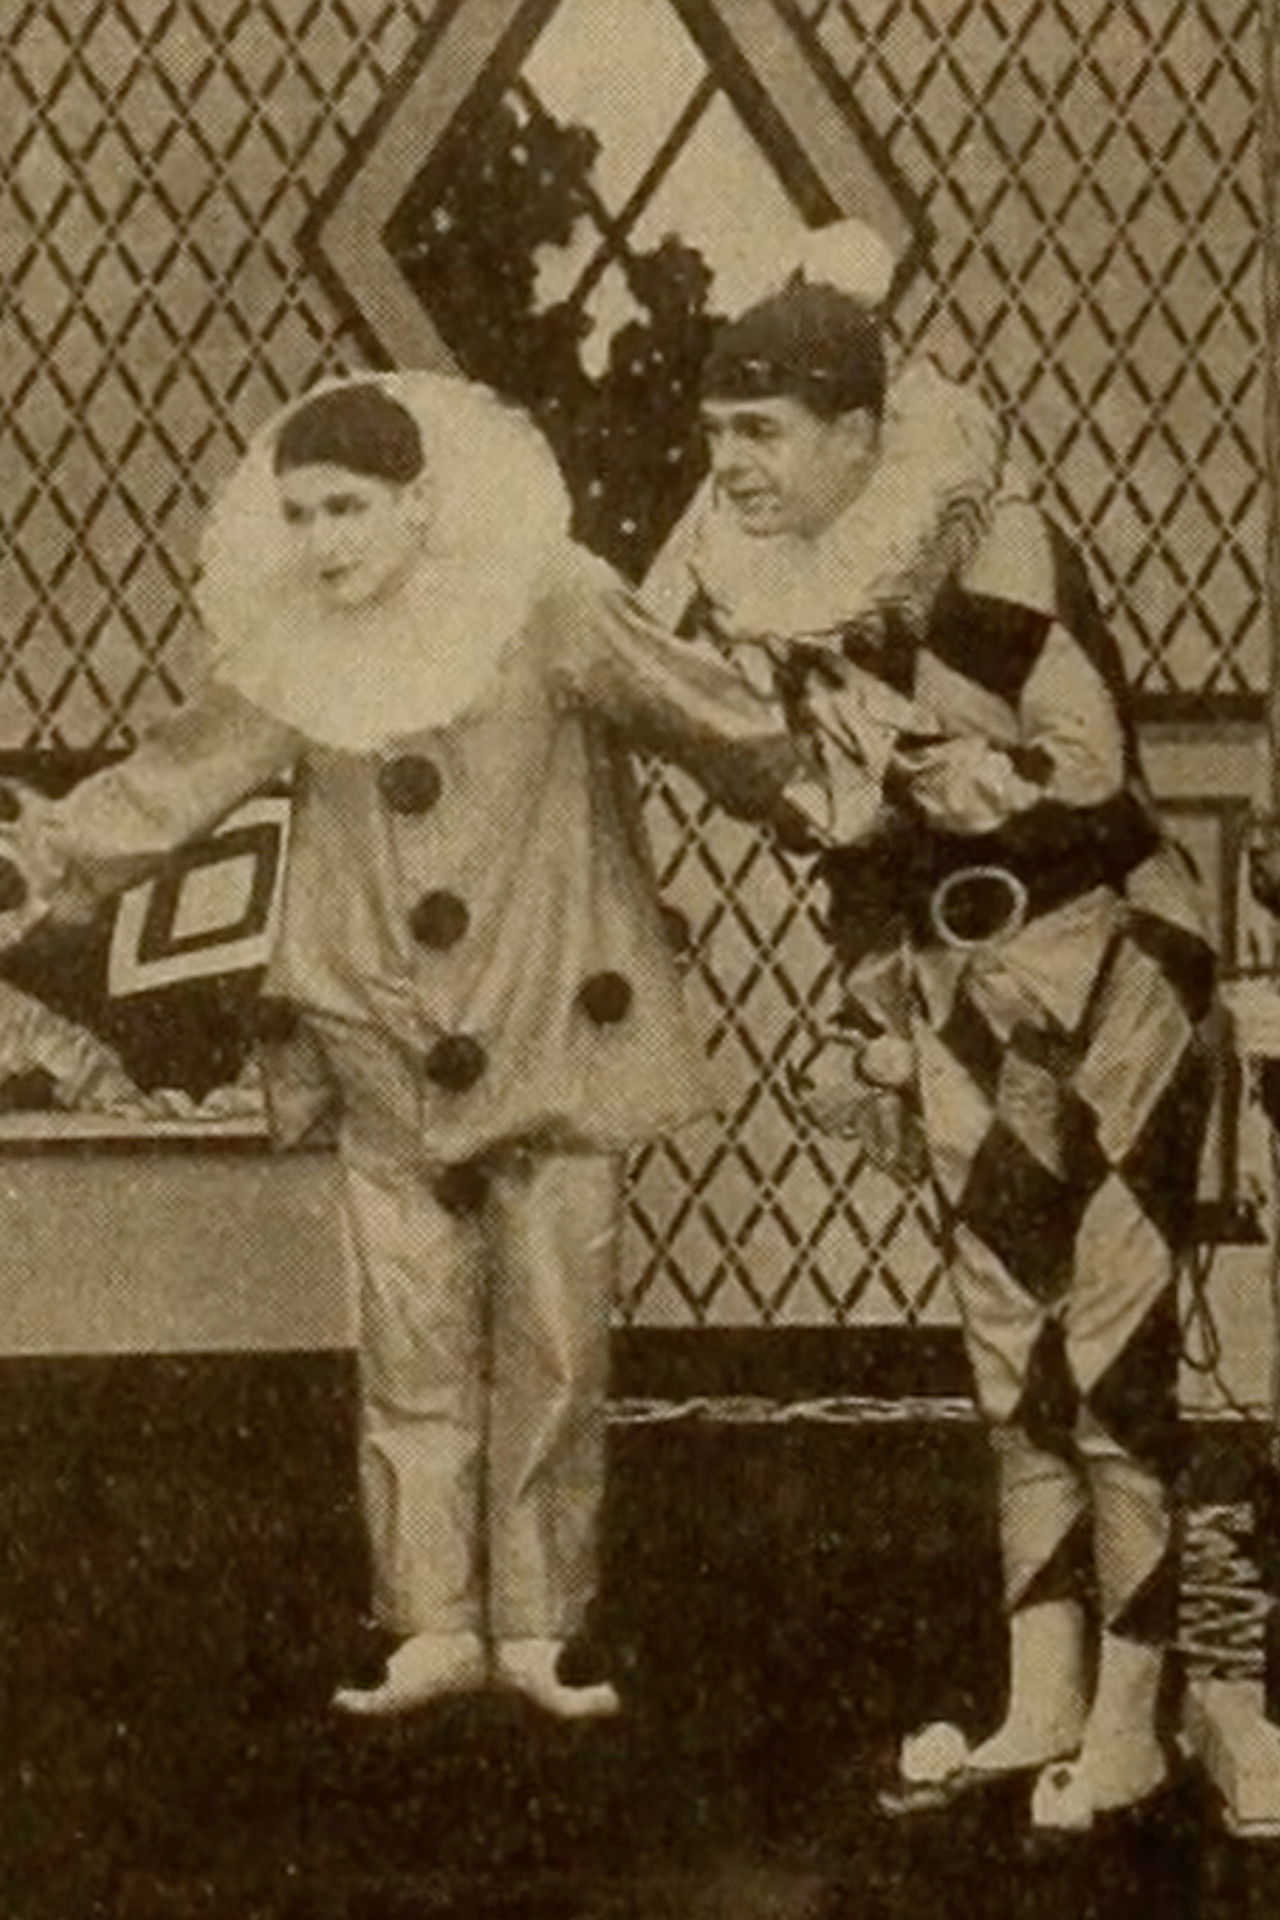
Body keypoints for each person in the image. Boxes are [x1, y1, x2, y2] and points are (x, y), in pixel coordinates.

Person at [0, 370, 813, 1723]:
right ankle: (431, 1619)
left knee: (556, 1332)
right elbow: (178, 777)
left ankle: (542, 1624)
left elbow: (708, 712)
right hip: (376, 1013)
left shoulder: (547, 598)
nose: (323, 542)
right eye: (301, 514)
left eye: (349, 509)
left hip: (547, 1006)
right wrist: (40, 862)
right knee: (410, 1325)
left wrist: (836, 796)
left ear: (419, 504)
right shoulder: (293, 646)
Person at [676, 222, 1217, 1833]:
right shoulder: (780, 596)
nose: (732, 465)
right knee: (1010, 1361)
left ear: (859, 431)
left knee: (1112, 1359)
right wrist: (871, 1005)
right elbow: (850, 846)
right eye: (715, 434)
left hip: (1114, 970)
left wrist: (931, 776)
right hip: (957, 988)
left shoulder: (994, 547)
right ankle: (1040, 1694)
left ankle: (1134, 1714)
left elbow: (1092, 776)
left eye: (762, 432)